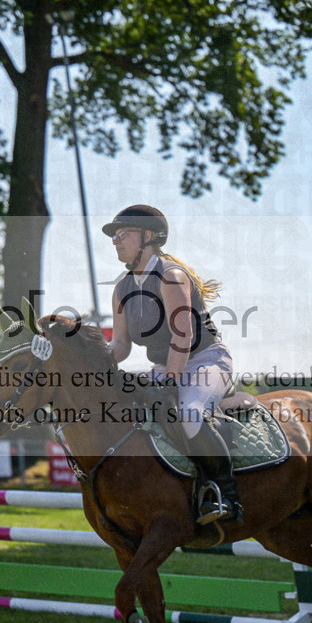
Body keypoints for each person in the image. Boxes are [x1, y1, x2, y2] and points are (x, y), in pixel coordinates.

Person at [103, 204, 240, 523]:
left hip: (206, 360)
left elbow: (183, 335)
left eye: (122, 234)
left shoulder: (171, 276)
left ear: (148, 236)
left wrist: (169, 381)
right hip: (167, 367)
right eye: (114, 236)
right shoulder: (122, 288)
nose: (115, 240)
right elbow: (121, 345)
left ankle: (226, 494)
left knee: (190, 414)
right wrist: (93, 360)